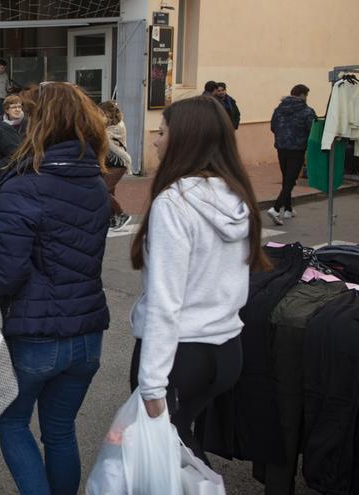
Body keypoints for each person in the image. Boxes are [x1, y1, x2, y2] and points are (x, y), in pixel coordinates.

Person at [129, 95, 271, 463]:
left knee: (169, 455)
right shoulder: (236, 195)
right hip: (226, 352)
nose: (155, 140)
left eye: (161, 132)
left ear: (184, 140)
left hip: (182, 355)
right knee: (181, 445)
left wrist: (151, 385)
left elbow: (165, 300)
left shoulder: (174, 203)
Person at [0, 82, 110, 495]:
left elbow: (5, 275)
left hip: (37, 337)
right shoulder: (96, 182)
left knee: (12, 421)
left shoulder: (23, 185)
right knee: (59, 431)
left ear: (39, 124)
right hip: (88, 335)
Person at [267, 84, 317, 225]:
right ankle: (276, 209)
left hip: (281, 148)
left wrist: (282, 137)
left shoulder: (279, 109)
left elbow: (273, 127)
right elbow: (312, 130)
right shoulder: (307, 111)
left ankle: (288, 209)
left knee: (286, 179)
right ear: (302, 95)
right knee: (290, 180)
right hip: (297, 149)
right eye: (306, 95)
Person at [99, 100, 132, 230]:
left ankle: (122, 215)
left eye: (101, 113)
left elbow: (107, 143)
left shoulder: (116, 128)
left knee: (103, 190)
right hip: (110, 163)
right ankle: (112, 218)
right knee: (109, 190)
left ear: (107, 113)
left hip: (118, 163)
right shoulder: (111, 125)